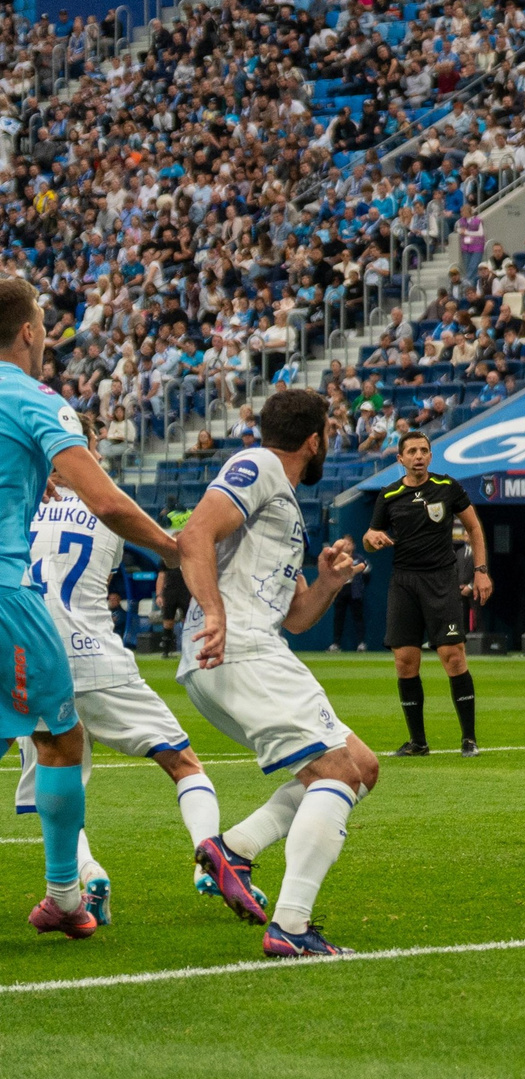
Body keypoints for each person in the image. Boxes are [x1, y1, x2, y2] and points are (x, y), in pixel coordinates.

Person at [180, 388, 379, 957]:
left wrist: (328, 585)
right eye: (330, 434)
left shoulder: (283, 500)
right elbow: (194, 534)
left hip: (247, 647)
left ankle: (233, 850)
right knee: (338, 772)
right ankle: (290, 926)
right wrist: (216, 614)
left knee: (362, 766)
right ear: (314, 440)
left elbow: (296, 617)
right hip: (237, 647)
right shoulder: (259, 464)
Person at [10, 409, 197, 933]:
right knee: (178, 760)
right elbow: (111, 518)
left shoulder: (23, 501)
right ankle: (218, 854)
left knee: (51, 762)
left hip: (27, 647)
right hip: (98, 653)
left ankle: (77, 882)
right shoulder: (108, 511)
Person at [364, 432, 488, 756]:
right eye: (412, 451)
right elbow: (370, 537)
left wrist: (481, 571)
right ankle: (418, 742)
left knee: (453, 655)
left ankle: (469, 739)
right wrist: (371, 537)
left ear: (430, 456)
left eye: (424, 450)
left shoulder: (448, 487)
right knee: (405, 661)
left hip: (441, 581)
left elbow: (474, 528)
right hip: (404, 583)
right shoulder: (389, 495)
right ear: (400, 459)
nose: (418, 456)